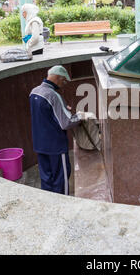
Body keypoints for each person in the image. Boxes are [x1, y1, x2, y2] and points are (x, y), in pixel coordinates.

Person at [29, 65, 88, 194]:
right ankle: (63, 206)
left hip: (40, 144)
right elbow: (66, 123)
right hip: (55, 146)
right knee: (60, 180)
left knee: (46, 178)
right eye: (63, 80)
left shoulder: (34, 92)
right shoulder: (53, 95)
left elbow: (45, 114)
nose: (63, 84)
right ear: (57, 77)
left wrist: (61, 109)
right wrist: (80, 116)